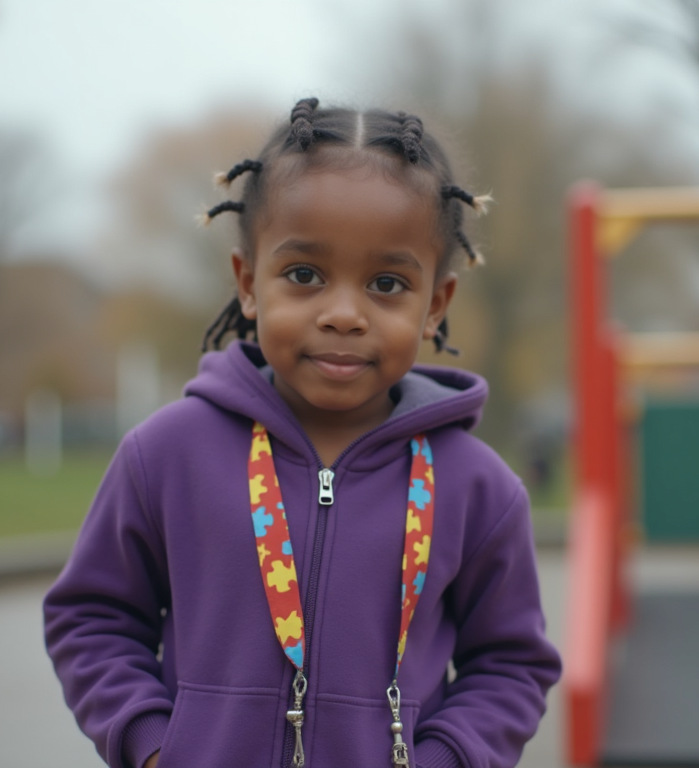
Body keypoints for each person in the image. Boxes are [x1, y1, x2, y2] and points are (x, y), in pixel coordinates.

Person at [43, 97, 561, 768]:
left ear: (436, 304)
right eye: (304, 275)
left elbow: (511, 664)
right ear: (249, 284)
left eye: (386, 283)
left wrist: (450, 757)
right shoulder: (164, 456)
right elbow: (91, 620)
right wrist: (150, 745)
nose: (343, 313)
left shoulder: (480, 489)